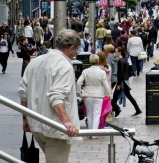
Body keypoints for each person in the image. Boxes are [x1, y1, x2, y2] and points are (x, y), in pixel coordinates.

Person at [18, 29, 81, 163]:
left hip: (36, 124)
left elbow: (23, 92)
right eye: (75, 52)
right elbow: (56, 96)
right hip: (55, 128)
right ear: (71, 48)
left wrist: (25, 118)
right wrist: (67, 121)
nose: (74, 55)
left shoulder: (36, 61)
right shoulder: (64, 66)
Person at [76, 54, 111, 136]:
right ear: (98, 61)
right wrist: (109, 94)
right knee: (96, 114)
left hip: (87, 94)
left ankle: (90, 132)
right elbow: (105, 84)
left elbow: (78, 82)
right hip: (98, 94)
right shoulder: (102, 72)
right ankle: (94, 133)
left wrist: (79, 92)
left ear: (89, 61)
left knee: (89, 113)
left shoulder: (85, 71)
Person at [114, 46, 142, 116]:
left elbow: (120, 73)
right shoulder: (123, 60)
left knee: (116, 97)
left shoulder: (121, 61)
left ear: (119, 52)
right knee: (125, 96)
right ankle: (137, 109)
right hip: (124, 81)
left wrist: (118, 84)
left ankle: (116, 110)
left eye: (116, 52)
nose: (115, 53)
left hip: (123, 82)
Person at [103, 44, 121, 117]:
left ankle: (116, 108)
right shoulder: (114, 57)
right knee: (108, 94)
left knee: (107, 95)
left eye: (104, 50)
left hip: (110, 78)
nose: (103, 51)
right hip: (115, 77)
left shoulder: (108, 59)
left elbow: (107, 69)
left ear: (107, 51)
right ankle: (114, 108)